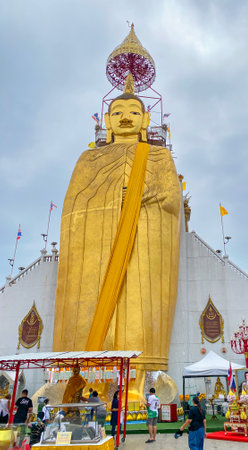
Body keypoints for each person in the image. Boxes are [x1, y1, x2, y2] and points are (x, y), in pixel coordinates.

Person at [53, 31, 181, 400]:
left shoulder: (158, 157)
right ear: (107, 121)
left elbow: (171, 200)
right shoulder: (88, 158)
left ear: (145, 120)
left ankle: (137, 382)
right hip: (97, 248)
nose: (126, 117)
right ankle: (87, 377)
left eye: (134, 112)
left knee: (142, 302)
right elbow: (74, 205)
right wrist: (110, 199)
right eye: (118, 112)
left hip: (142, 241)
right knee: (89, 302)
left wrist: (139, 197)